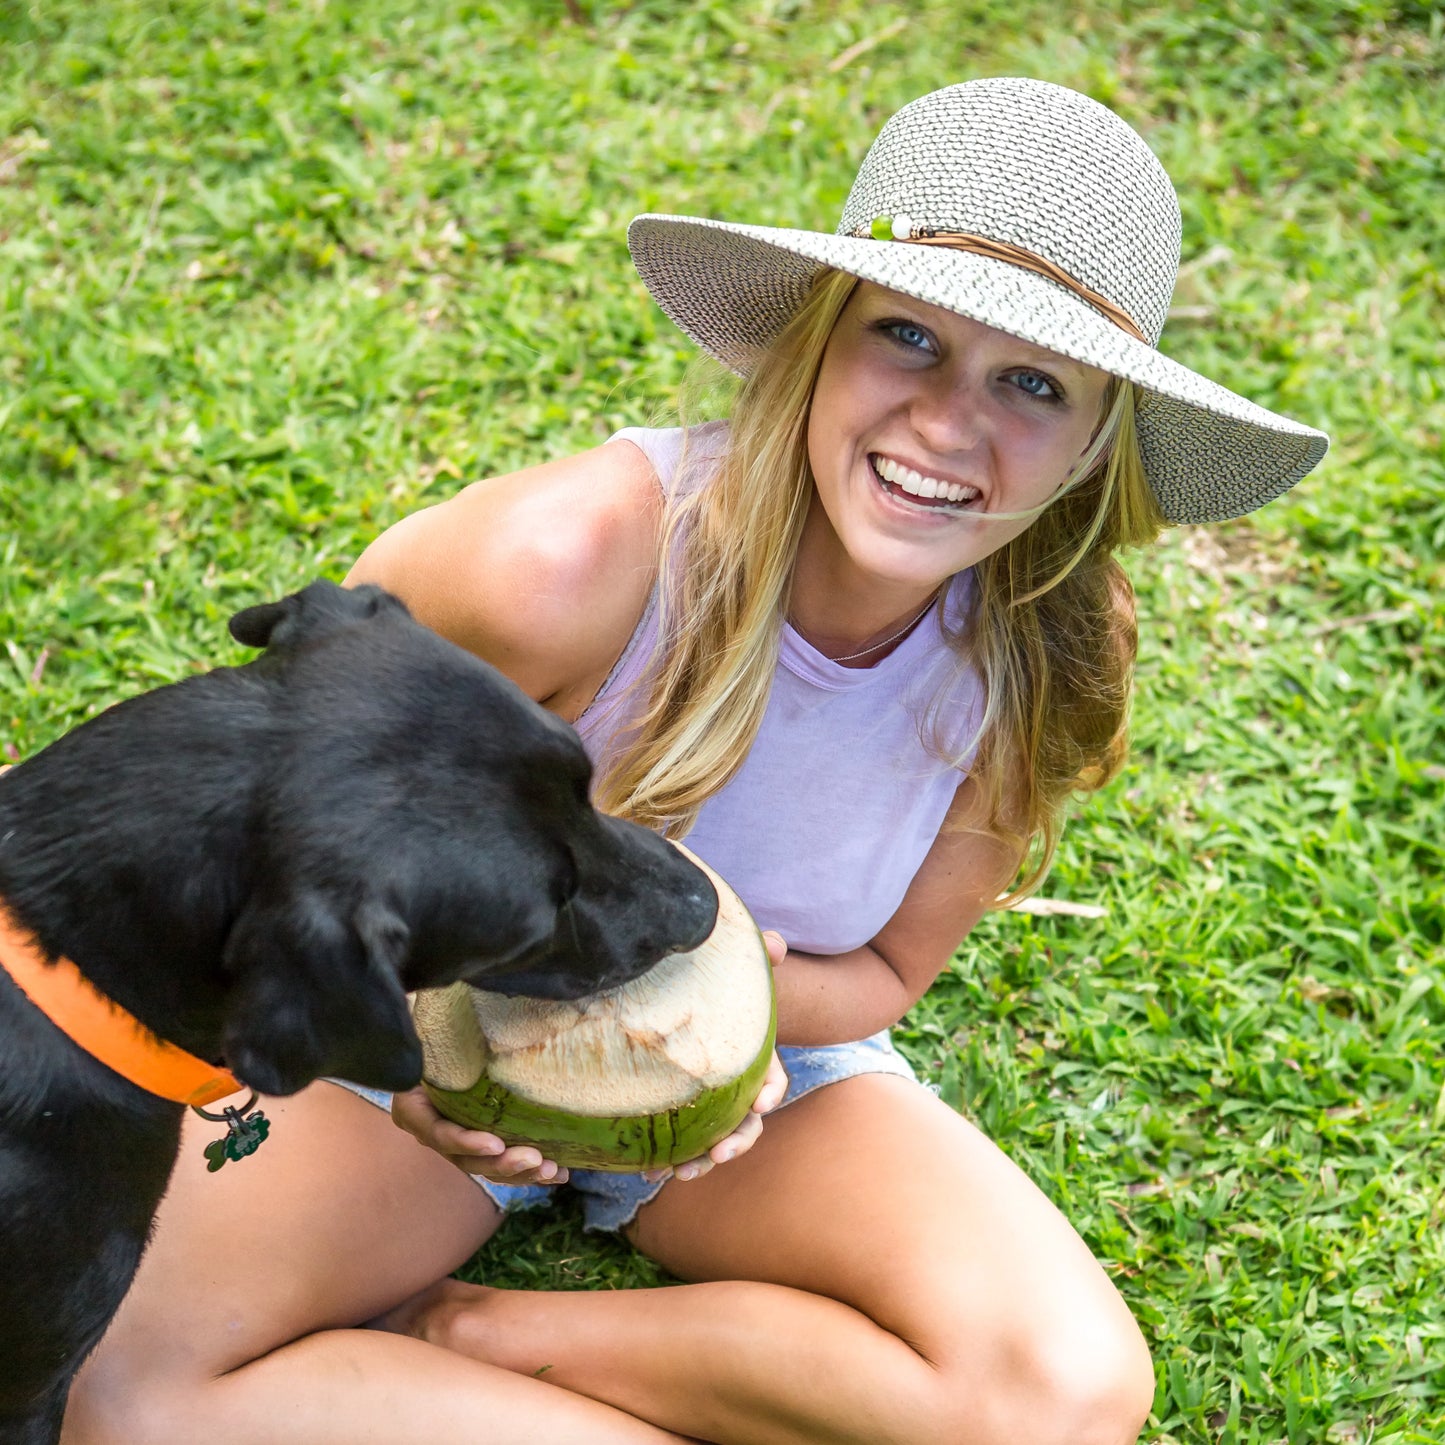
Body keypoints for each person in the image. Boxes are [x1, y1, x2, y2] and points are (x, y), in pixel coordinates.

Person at [65, 77, 1327, 1445]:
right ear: (814, 342)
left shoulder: (1037, 658)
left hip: (760, 1087)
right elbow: (278, 806)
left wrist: (716, 1030)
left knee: (1058, 1395)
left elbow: (889, 972)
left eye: (1031, 383)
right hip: (415, 1035)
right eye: (906, 337)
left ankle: (466, 1330)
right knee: (118, 1388)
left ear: (1091, 448)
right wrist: (424, 1063)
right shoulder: (565, 562)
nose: (949, 424)